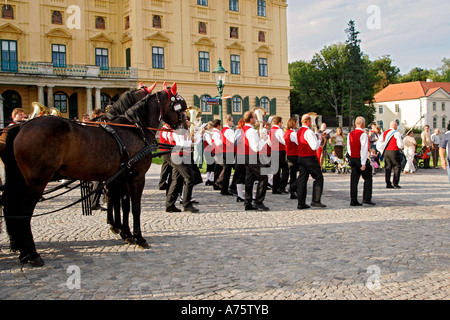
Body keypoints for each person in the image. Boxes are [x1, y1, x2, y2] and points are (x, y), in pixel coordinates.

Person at [165, 127, 199, 213]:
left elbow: (194, 142)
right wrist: (190, 139)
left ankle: (170, 204)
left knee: (176, 180)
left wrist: (197, 135)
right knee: (189, 179)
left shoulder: (183, 131)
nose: (187, 121)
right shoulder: (178, 132)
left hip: (182, 155)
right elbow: (182, 143)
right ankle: (186, 204)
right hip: (180, 155)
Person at [241, 111, 270, 211]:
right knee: (264, 177)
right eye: (254, 117)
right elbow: (256, 147)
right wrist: (264, 139)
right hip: (252, 156)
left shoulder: (245, 128)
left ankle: (248, 203)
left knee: (249, 179)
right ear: (251, 119)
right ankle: (258, 201)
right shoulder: (251, 131)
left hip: (246, 155)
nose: (256, 119)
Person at [296, 114, 326, 209]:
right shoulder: (308, 131)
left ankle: (301, 202)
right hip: (309, 157)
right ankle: (316, 200)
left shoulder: (299, 131)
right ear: (308, 121)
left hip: (301, 157)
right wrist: (320, 139)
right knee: (318, 177)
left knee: (302, 180)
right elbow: (314, 146)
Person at [347, 116, 375, 206]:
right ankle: (366, 198)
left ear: (355, 124)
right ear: (363, 124)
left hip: (353, 157)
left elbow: (349, 147)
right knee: (368, 178)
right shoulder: (363, 135)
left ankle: (353, 200)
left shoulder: (350, 134)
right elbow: (363, 149)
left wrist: (351, 157)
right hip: (360, 158)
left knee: (354, 180)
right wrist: (363, 163)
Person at [377, 121, 404, 189]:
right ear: (395, 125)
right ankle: (395, 183)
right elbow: (399, 143)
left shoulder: (385, 133)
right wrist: (402, 147)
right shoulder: (396, 133)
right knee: (397, 166)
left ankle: (388, 183)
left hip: (386, 151)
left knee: (388, 167)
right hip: (394, 151)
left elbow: (380, 142)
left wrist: (382, 150)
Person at [269, 117, 289, 194]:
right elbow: (284, 141)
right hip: (280, 151)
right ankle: (282, 186)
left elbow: (270, 143)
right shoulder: (279, 130)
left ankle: (275, 188)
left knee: (276, 170)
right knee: (285, 169)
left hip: (273, 150)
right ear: (279, 123)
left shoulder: (271, 130)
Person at [217, 115, 235, 196]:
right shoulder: (228, 130)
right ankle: (225, 189)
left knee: (227, 170)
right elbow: (234, 140)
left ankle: (224, 188)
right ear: (228, 121)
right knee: (227, 171)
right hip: (229, 151)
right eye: (232, 121)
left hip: (225, 151)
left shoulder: (223, 130)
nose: (232, 122)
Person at [284, 117, 299, 199]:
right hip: (294, 155)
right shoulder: (293, 134)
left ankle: (293, 189)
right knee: (298, 173)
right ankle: (293, 189)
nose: (297, 125)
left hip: (289, 154)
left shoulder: (287, 132)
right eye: (296, 123)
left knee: (293, 173)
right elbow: (299, 143)